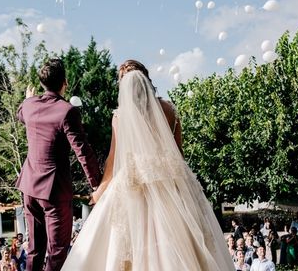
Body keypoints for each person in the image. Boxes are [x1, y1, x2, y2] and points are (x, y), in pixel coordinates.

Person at [61, 61, 235, 270]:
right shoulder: (170, 109)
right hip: (173, 181)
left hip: (134, 184)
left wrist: (100, 191)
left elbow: (113, 159)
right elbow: (179, 153)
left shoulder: (121, 116)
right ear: (147, 79)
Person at [16, 58, 102, 271]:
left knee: (35, 250)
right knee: (57, 253)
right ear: (65, 82)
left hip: (29, 189)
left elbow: (21, 116)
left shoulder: (29, 105)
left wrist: (29, 99)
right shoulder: (67, 111)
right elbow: (82, 149)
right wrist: (97, 182)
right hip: (54, 192)